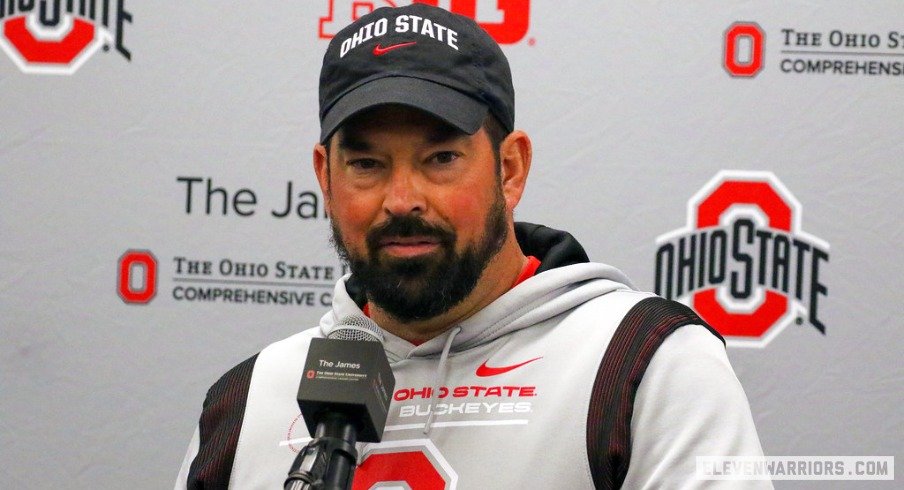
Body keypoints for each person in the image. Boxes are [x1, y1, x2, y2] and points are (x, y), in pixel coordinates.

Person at [176, 4, 770, 489]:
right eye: (366, 164)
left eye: (441, 159)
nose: (401, 199)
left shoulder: (642, 368)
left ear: (510, 169)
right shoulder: (249, 398)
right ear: (324, 179)